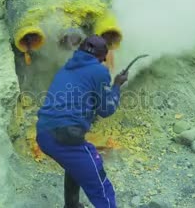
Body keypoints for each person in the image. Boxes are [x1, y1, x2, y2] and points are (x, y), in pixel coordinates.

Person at [36, 35, 128, 208]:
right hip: (65, 136)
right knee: (101, 186)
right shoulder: (99, 71)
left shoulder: (66, 68)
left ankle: (72, 205)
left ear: (80, 50)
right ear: (103, 56)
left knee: (75, 166)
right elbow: (106, 109)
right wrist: (117, 86)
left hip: (43, 133)